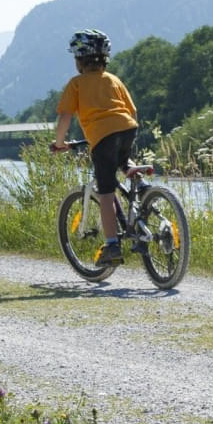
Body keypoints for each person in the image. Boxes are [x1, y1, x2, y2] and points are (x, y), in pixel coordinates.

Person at [48, 29, 140, 266]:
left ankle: (111, 245)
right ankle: (134, 173)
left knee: (106, 191)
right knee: (121, 162)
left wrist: (59, 144)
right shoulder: (114, 79)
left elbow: (66, 118)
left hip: (102, 137)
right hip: (128, 128)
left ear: (79, 60)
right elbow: (132, 111)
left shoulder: (76, 84)